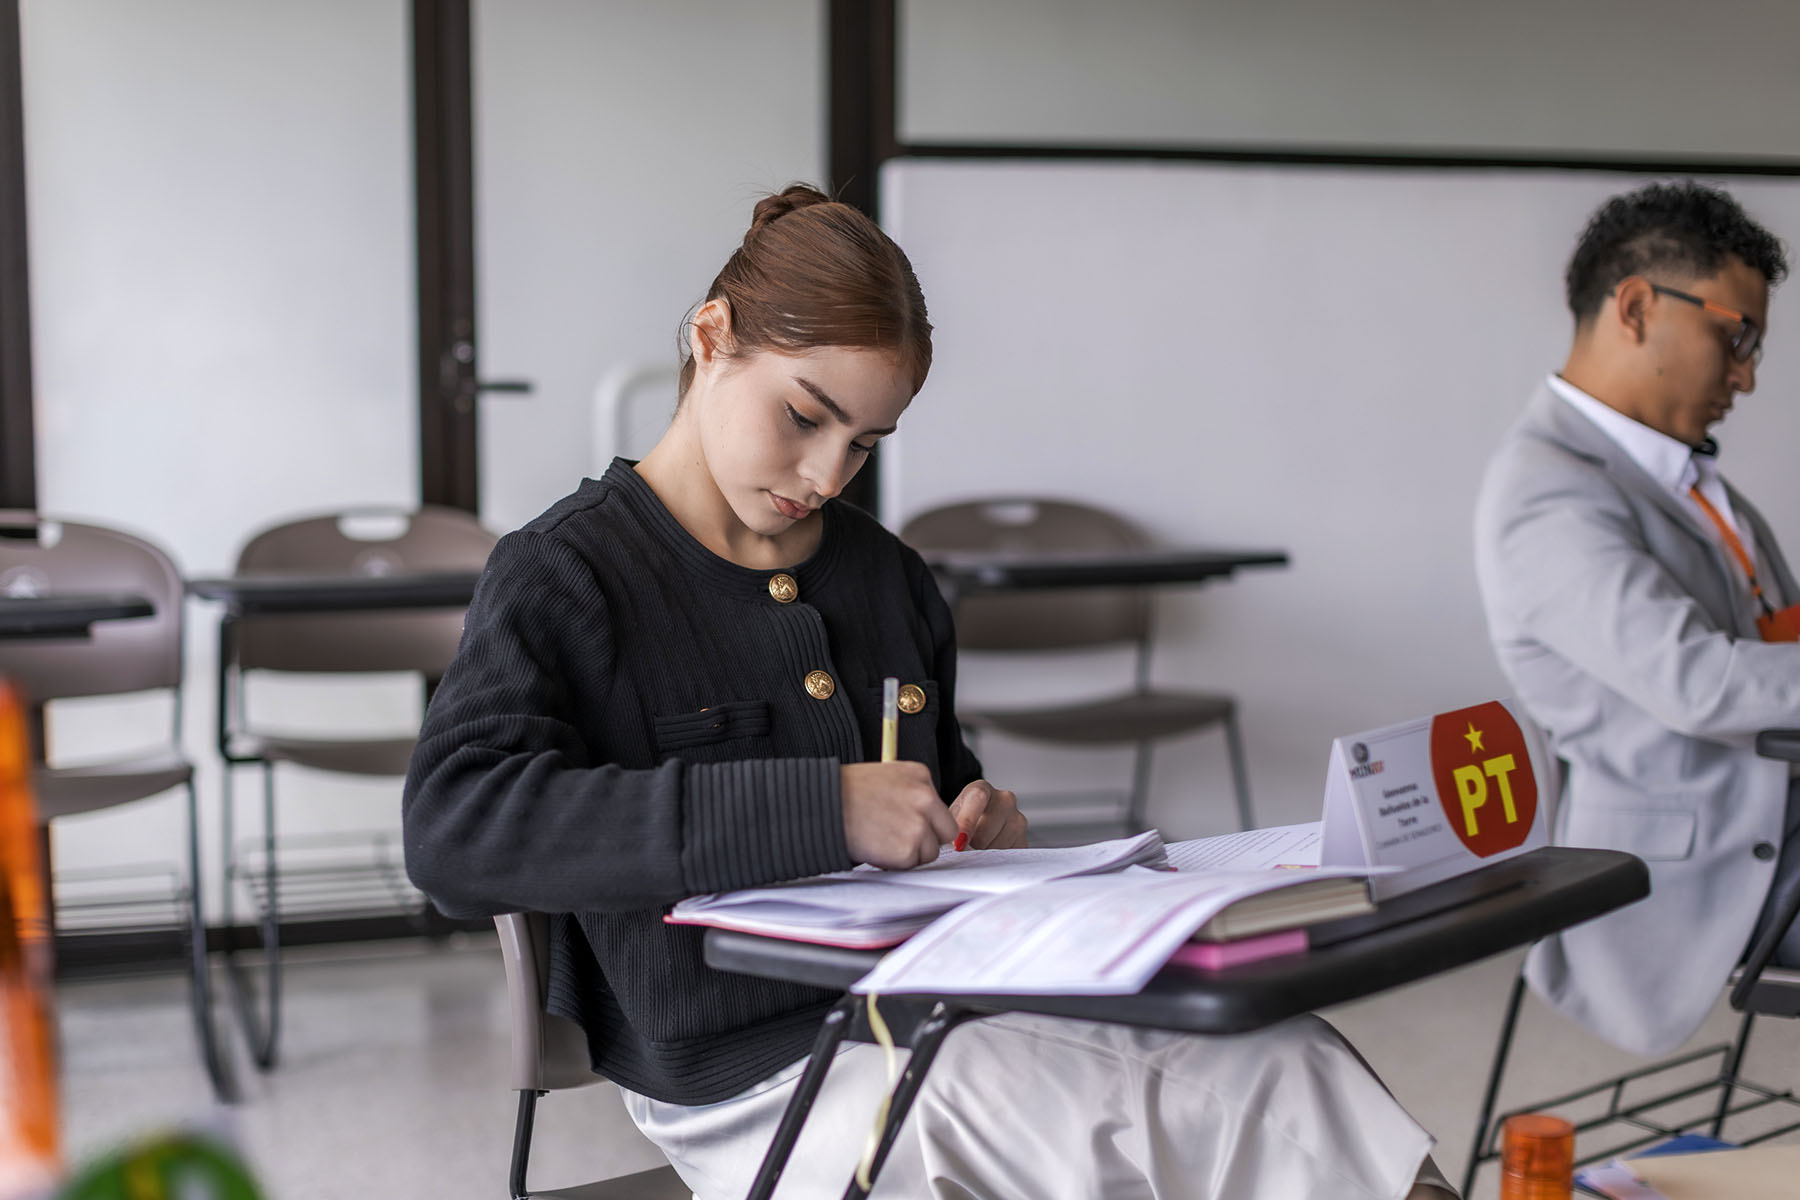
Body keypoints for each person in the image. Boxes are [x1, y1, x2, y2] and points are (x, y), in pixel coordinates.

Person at [404, 184, 1451, 1198]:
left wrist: (976, 822)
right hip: (755, 1074)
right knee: (1230, 1100)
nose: (825, 473)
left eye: (862, 443)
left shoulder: (887, 576)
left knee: (1275, 1051)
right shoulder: (567, 575)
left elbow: (931, 809)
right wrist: (824, 808)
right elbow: (454, 836)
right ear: (712, 337)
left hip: (953, 1005)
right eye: (805, 417)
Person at [1475, 180, 1800, 1059]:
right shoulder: (1546, 492)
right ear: (1636, 307)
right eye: (1737, 336)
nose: (1747, 373)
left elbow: (1781, 641)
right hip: (1707, 862)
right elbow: (1700, 684)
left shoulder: (1686, 478)